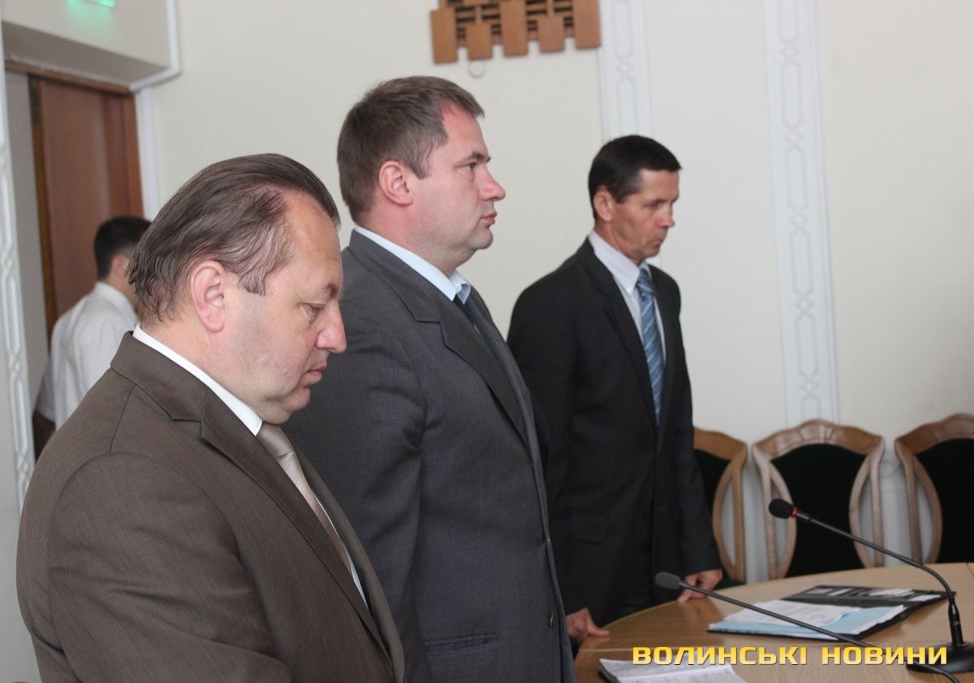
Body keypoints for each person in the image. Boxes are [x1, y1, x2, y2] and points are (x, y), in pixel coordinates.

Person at [17, 154, 405, 682]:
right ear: (213, 296)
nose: (337, 336)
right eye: (315, 307)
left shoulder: (238, 420)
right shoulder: (122, 479)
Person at [284, 76, 576, 682]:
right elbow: (371, 572)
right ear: (398, 183)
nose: (494, 186)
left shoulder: (451, 297)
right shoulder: (360, 321)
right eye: (471, 165)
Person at [508, 135, 722, 628]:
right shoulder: (550, 305)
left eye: (672, 204)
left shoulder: (665, 292)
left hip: (668, 564)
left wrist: (698, 548)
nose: (668, 219)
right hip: (591, 572)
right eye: (653, 205)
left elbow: (676, 436)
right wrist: (562, 590)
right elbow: (542, 461)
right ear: (605, 204)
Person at [34, 215, 150, 434]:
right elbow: (112, 414)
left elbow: (47, 412)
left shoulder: (68, 320)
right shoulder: (108, 323)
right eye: (147, 262)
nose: (153, 274)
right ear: (120, 267)